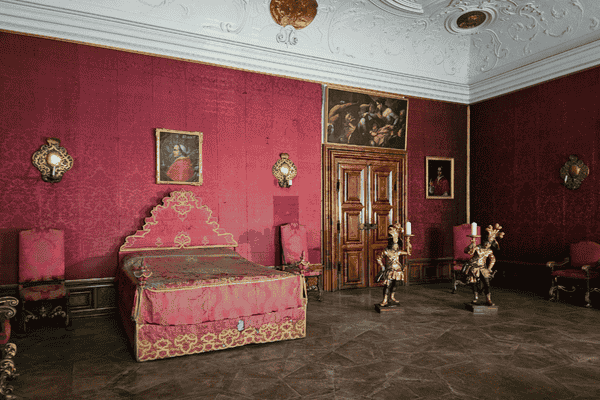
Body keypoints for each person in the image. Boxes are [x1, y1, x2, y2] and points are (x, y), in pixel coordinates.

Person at [461, 224, 505, 306]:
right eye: (486, 242)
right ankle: (475, 297)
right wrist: (471, 245)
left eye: (489, 243)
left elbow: (493, 259)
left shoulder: (489, 251)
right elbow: (467, 252)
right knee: (473, 283)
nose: (487, 244)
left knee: (486, 282)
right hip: (474, 266)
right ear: (483, 241)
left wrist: (489, 268)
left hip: (483, 267)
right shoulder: (477, 247)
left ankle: (488, 299)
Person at [376, 222, 412, 307]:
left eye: (396, 245)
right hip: (390, 270)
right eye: (394, 244)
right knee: (387, 285)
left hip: (398, 270)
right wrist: (382, 266)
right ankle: (385, 299)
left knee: (395, 284)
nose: (395, 246)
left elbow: (408, 253)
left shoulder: (398, 252)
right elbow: (378, 258)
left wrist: (408, 241)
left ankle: (392, 297)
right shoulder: (386, 251)